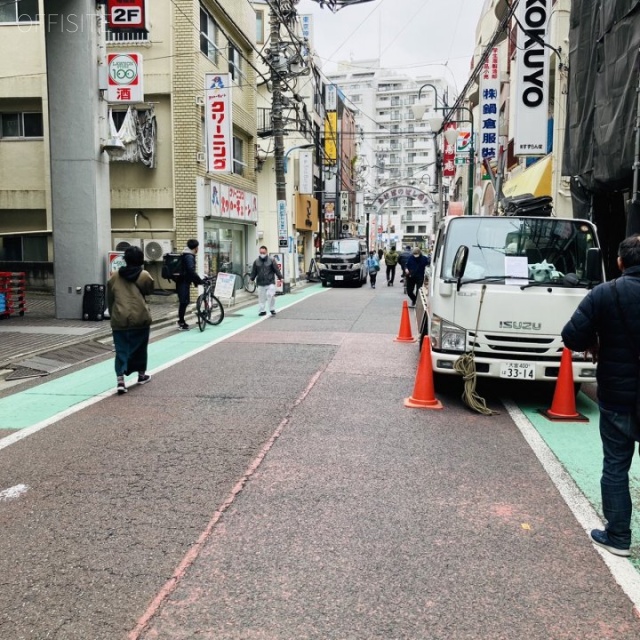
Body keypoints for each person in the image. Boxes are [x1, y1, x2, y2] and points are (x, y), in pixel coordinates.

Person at [561, 234, 640, 558]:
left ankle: (618, 536)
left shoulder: (605, 294)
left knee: (616, 465)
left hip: (618, 395)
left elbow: (571, 336)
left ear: (620, 263)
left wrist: (596, 339)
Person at [107, 246, 155, 395]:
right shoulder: (144, 275)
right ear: (140, 259)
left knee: (121, 349)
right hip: (140, 317)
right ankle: (141, 375)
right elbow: (149, 290)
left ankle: (120, 380)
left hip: (120, 318)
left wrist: (112, 313)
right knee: (140, 347)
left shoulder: (115, 276)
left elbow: (110, 298)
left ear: (125, 259)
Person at [175, 238, 205, 331]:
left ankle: (181, 321)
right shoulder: (189, 256)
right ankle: (181, 322)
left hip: (183, 281)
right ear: (195, 248)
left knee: (185, 301)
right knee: (184, 301)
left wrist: (196, 281)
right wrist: (199, 281)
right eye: (197, 247)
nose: (198, 249)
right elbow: (190, 271)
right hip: (183, 281)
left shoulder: (187, 254)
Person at [250, 246, 283, 316]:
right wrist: (251, 278)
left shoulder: (271, 260)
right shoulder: (256, 261)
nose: (262, 254)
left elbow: (276, 269)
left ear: (266, 252)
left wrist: (280, 277)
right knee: (261, 297)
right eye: (261, 252)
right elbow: (254, 271)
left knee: (270, 295)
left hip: (270, 281)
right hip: (260, 282)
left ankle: (272, 309)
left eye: (263, 252)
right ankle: (262, 310)